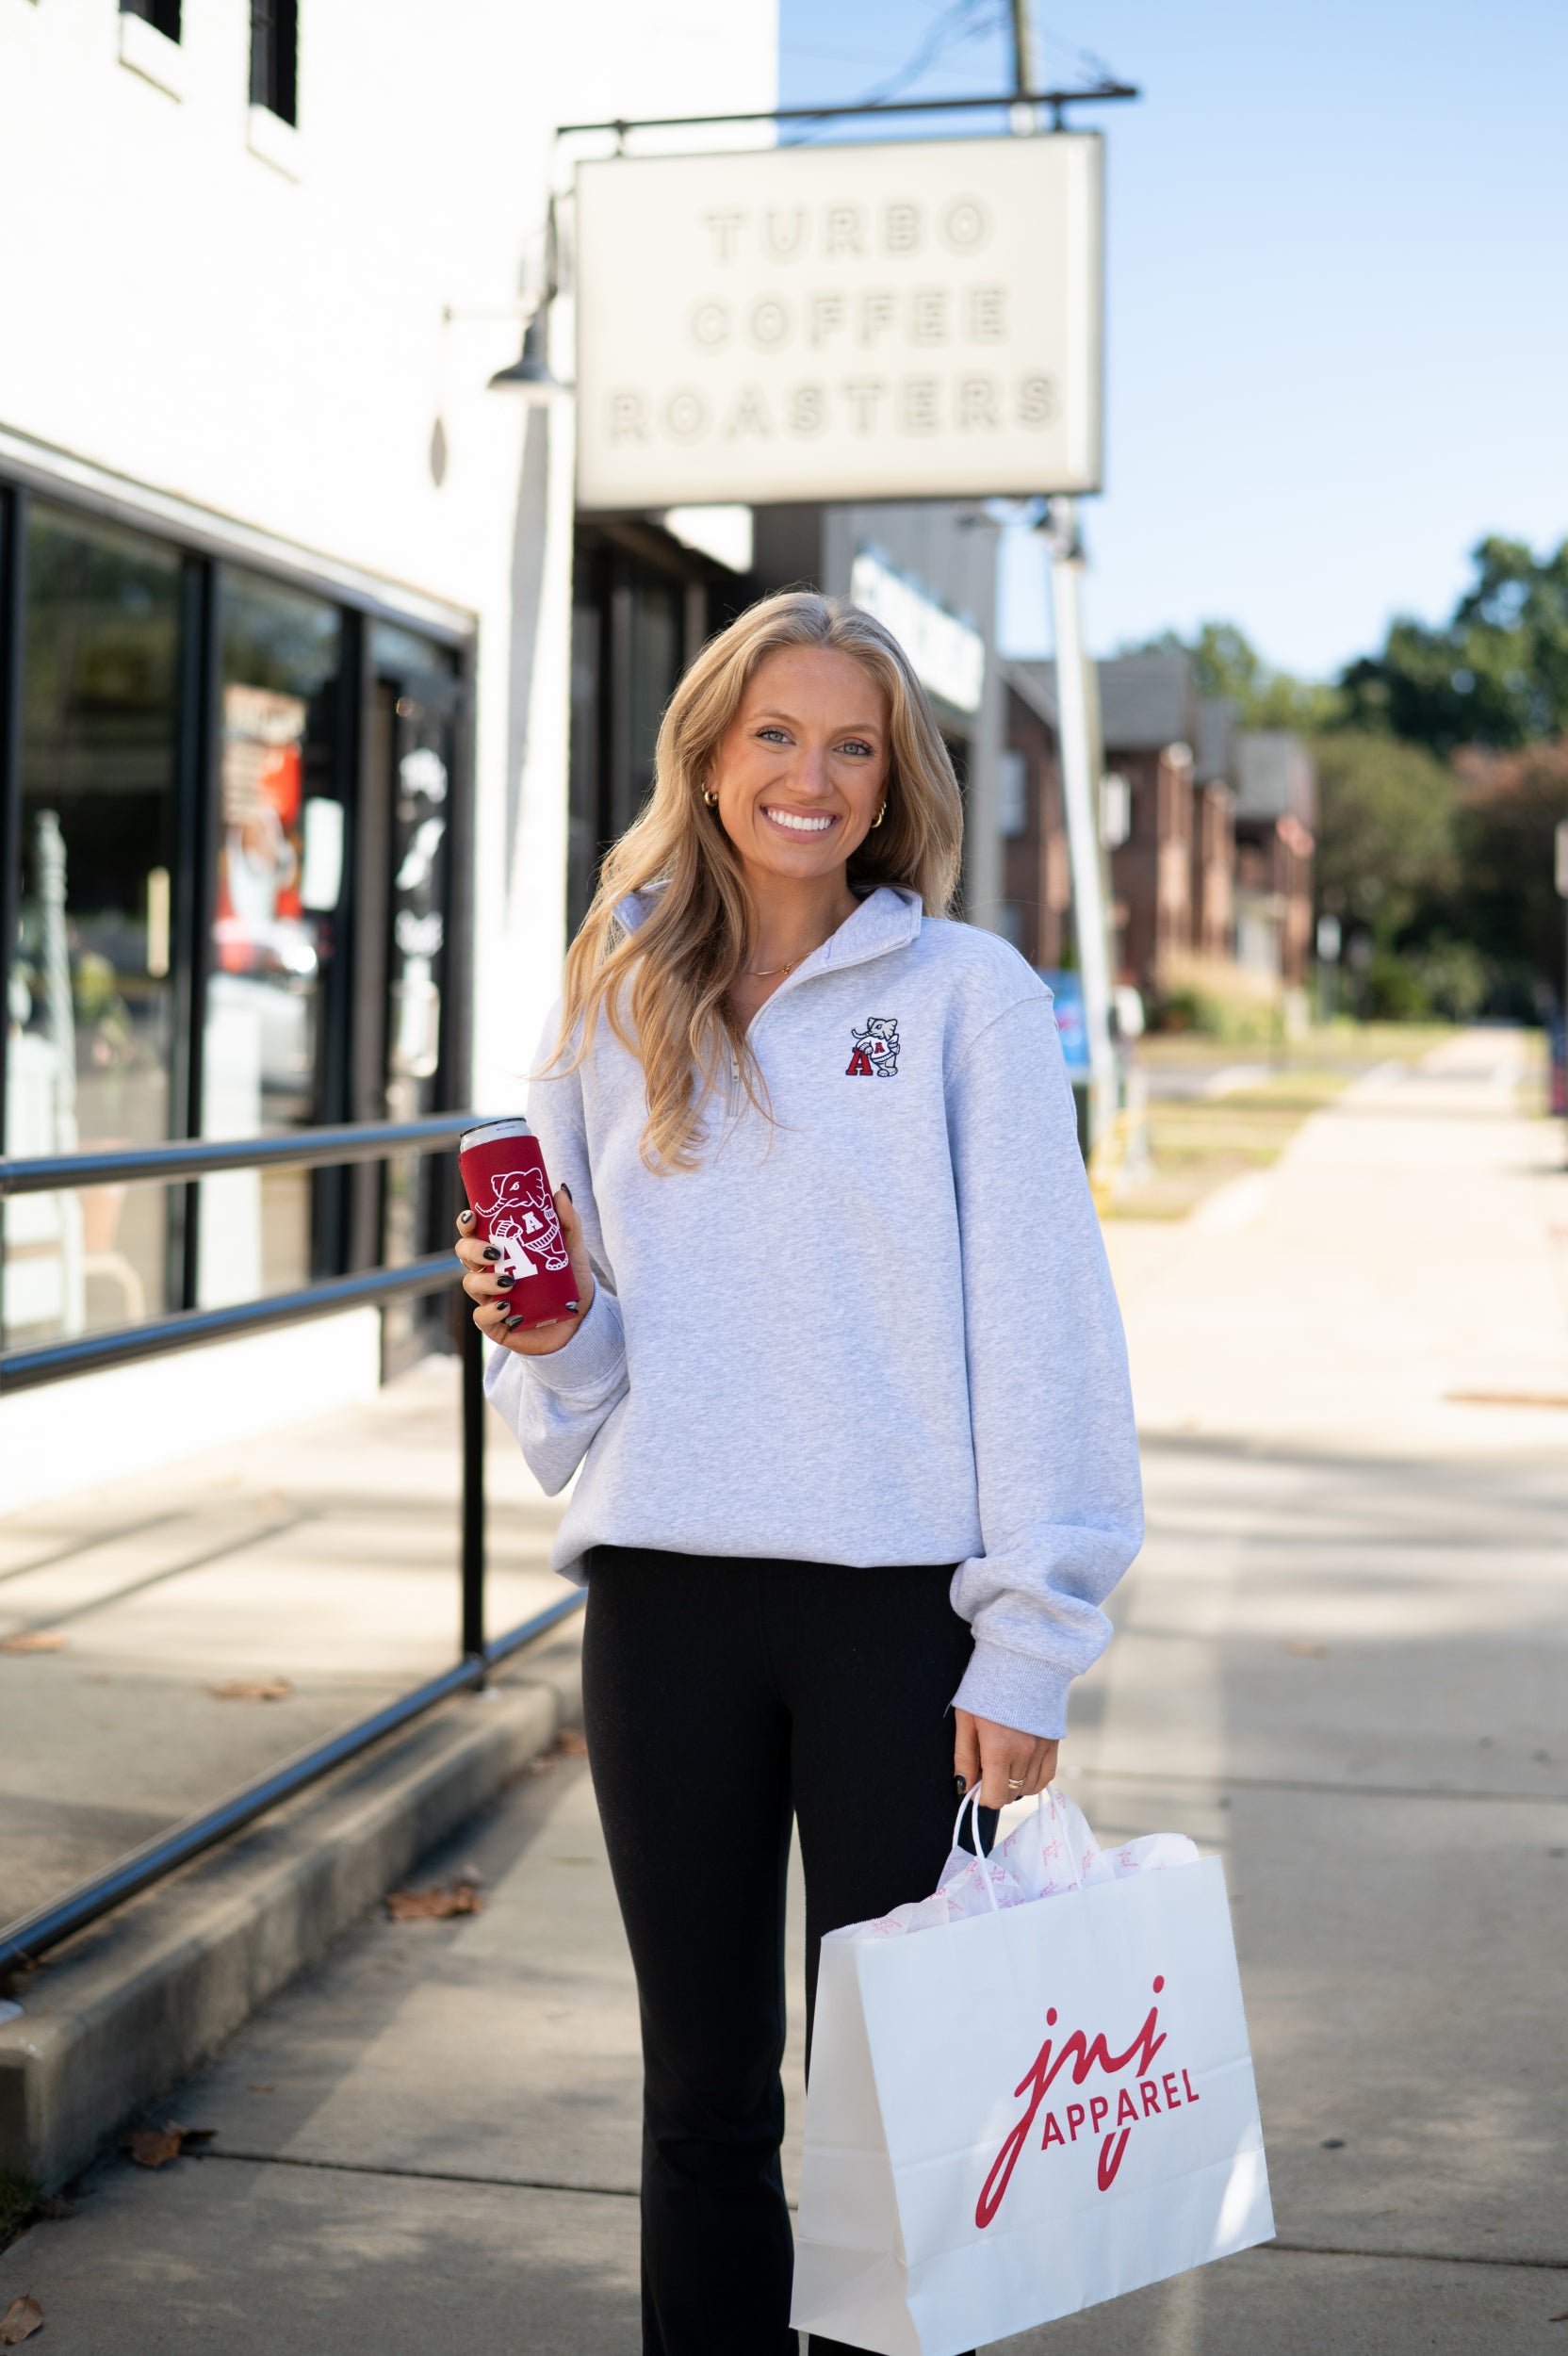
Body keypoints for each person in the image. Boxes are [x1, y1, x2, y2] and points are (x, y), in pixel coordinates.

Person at [456, 591, 1142, 2355]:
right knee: (699, 2094)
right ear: (708, 752)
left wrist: (1032, 1638)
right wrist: (535, 1332)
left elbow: (1047, 1330)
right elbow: (588, 1362)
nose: (810, 778)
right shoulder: (614, 993)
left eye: (852, 745)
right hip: (666, 1609)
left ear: (892, 777)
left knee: (894, 2114)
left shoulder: (968, 997)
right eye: (774, 735)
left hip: (896, 1631)